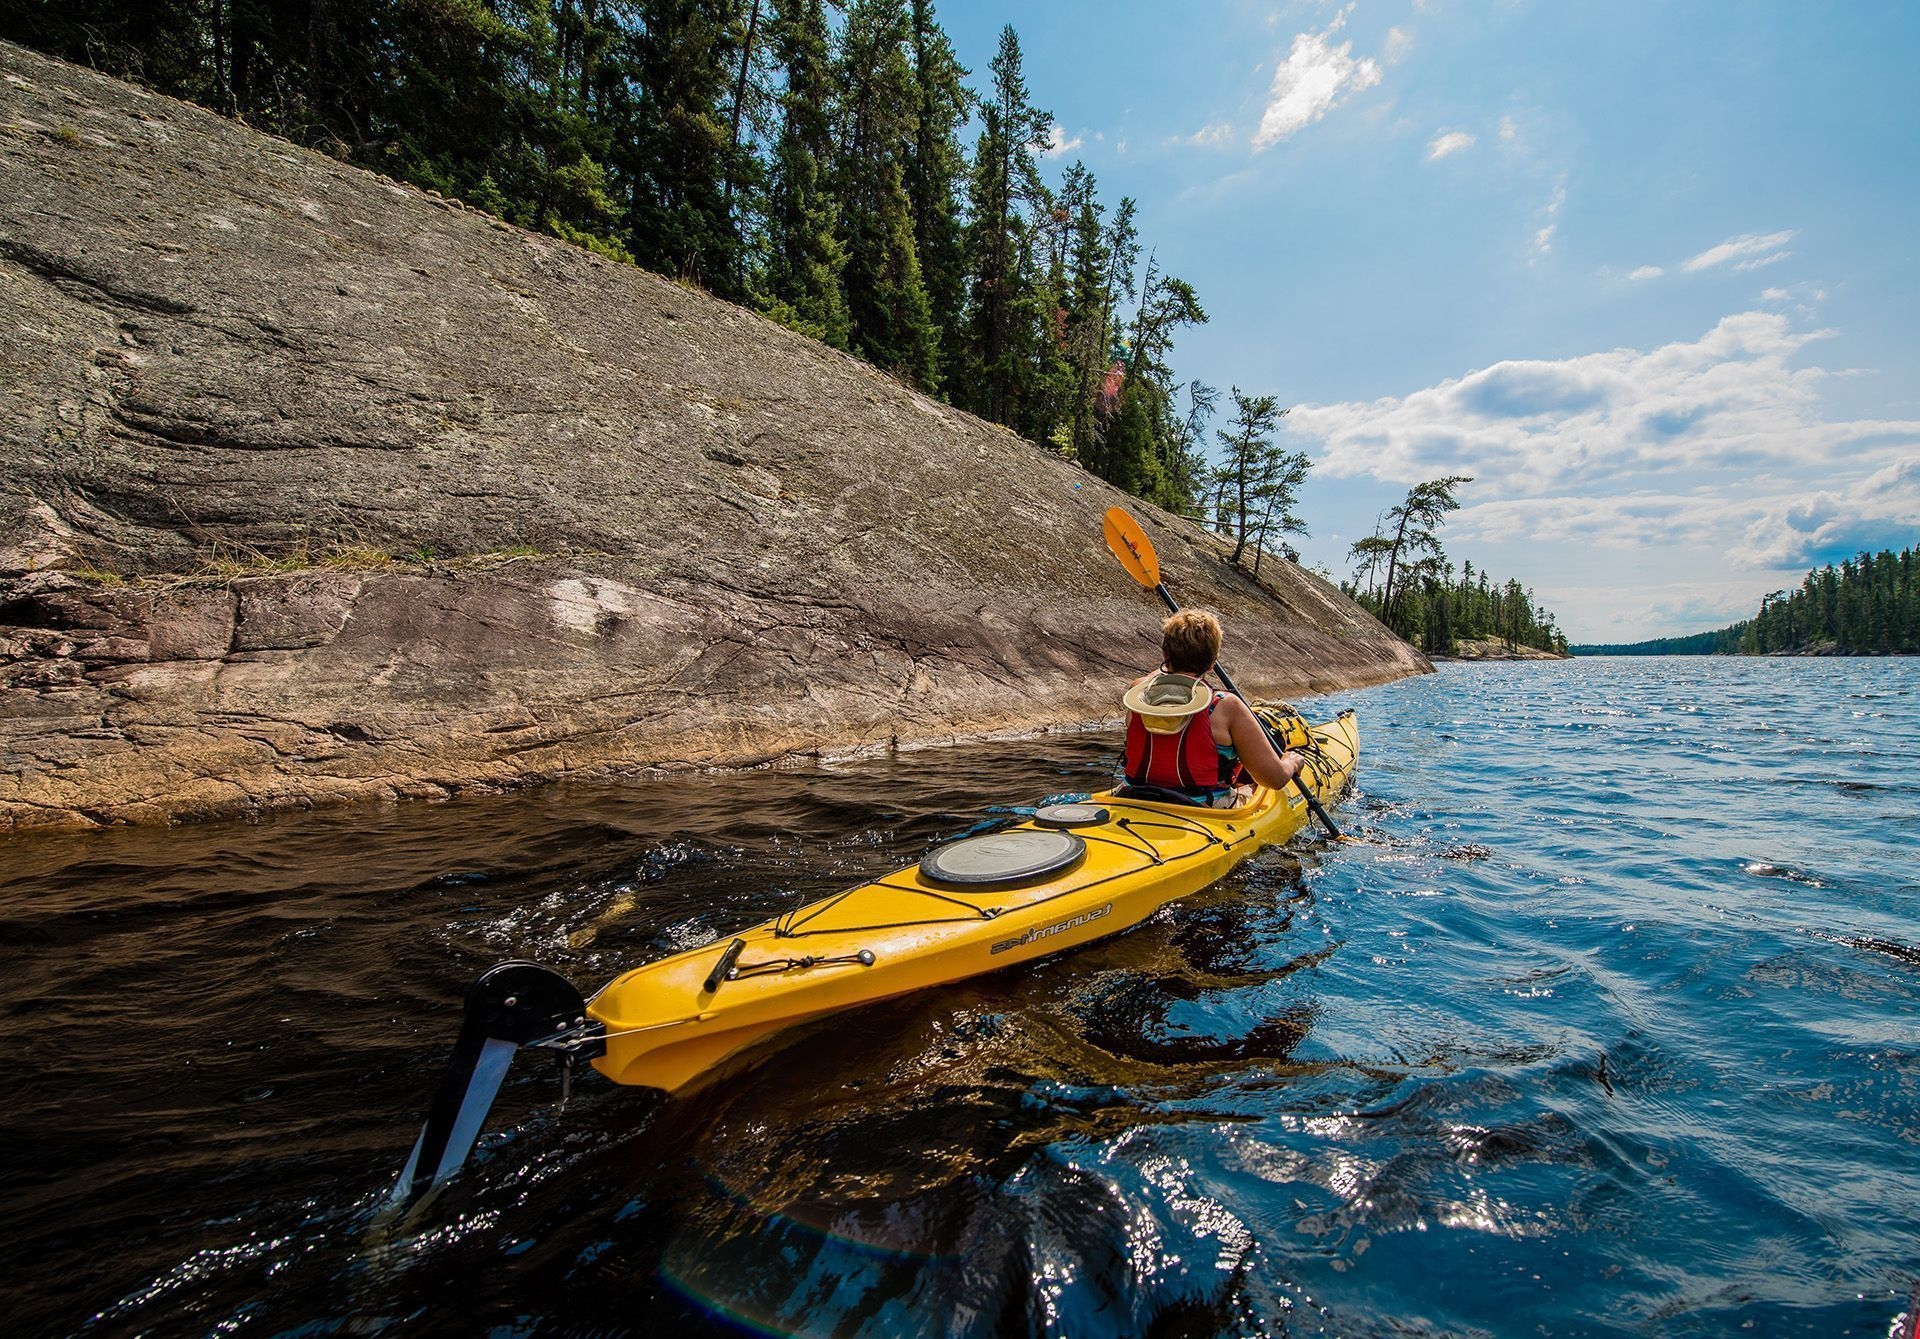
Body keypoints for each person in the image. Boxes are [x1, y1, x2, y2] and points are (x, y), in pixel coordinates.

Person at [1120, 609, 1307, 806]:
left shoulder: (1138, 691)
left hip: (1132, 797)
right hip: (1203, 807)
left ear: (1164, 654)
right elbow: (1274, 779)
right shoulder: (1226, 706)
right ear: (1212, 664)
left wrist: (1174, 657)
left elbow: (1156, 676)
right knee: (1252, 786)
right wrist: (1292, 762)